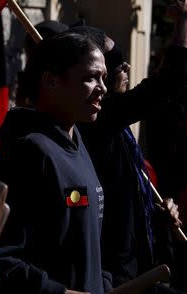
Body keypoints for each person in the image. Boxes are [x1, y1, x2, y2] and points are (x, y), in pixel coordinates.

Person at [0, 32, 110, 294]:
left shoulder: (79, 143)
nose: (102, 88)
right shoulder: (29, 152)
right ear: (51, 81)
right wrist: (58, 291)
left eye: (103, 78)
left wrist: (103, 282)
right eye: (90, 78)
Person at [70, 1, 187, 291]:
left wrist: (156, 211)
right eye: (117, 62)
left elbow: (124, 193)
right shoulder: (98, 122)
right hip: (116, 277)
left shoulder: (116, 129)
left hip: (140, 266)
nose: (127, 68)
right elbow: (165, 86)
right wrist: (182, 25)